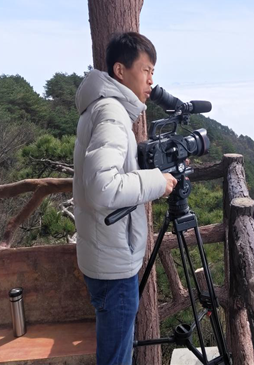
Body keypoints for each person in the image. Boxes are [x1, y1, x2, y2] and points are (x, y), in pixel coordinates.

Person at [73, 32, 177, 365]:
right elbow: (102, 187)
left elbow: (109, 169)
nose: (151, 80)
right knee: (116, 358)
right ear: (120, 70)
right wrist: (157, 182)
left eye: (153, 72)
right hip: (112, 263)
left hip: (106, 252)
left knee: (116, 351)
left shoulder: (101, 108)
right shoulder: (112, 113)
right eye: (146, 70)